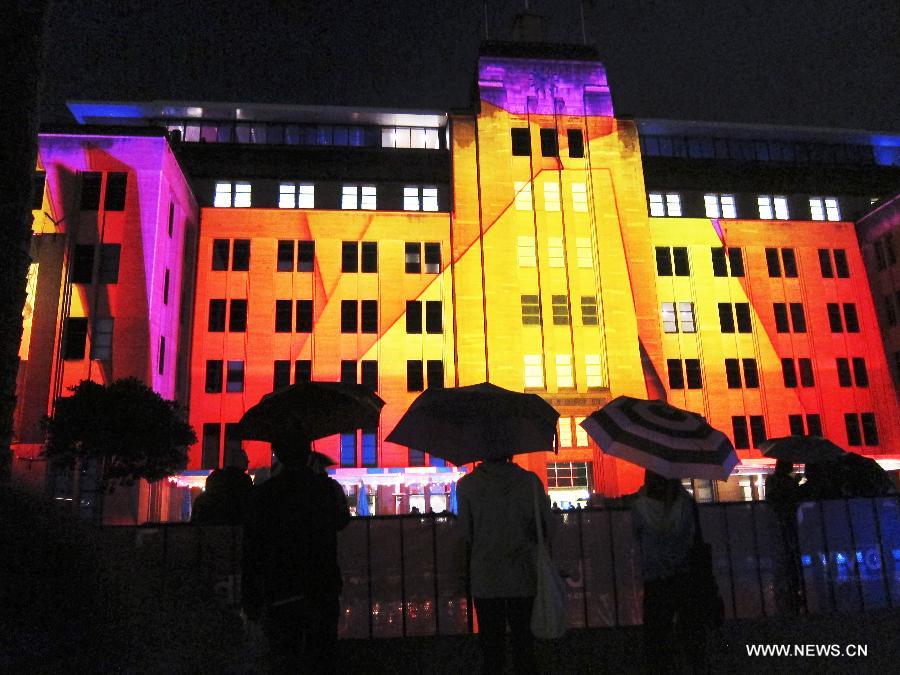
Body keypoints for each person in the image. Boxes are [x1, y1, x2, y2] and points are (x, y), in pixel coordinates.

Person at [241, 436, 351, 674]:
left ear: (278, 455)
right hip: (321, 585)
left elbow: (252, 546)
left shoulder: (265, 494)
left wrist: (250, 594)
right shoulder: (324, 489)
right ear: (308, 455)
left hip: (281, 586)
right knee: (321, 656)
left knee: (284, 657)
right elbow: (341, 520)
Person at [456, 454, 557, 675]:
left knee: (491, 648)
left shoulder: (467, 485)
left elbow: (464, 533)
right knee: (524, 644)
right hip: (522, 573)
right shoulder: (530, 482)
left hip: (485, 575)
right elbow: (548, 526)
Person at [631, 470, 706, 674]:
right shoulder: (685, 504)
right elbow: (693, 537)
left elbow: (635, 534)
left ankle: (660, 666)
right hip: (683, 573)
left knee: (656, 632)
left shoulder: (640, 507)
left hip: (654, 576)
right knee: (689, 630)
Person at [766, 459, 803, 613]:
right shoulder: (787, 482)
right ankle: (793, 588)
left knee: (782, 556)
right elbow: (793, 497)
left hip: (775, 523)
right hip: (788, 522)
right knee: (791, 553)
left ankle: (783, 589)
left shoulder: (771, 480)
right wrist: (795, 483)